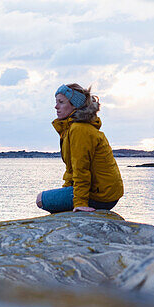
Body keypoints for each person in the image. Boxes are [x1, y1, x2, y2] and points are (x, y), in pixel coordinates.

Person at [36, 83, 124, 213]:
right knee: (51, 199)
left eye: (61, 102)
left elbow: (81, 169)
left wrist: (80, 203)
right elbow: (71, 170)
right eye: (56, 102)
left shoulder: (79, 129)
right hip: (101, 192)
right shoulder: (71, 128)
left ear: (74, 105)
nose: (56, 106)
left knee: (41, 199)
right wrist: (65, 191)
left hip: (101, 195)